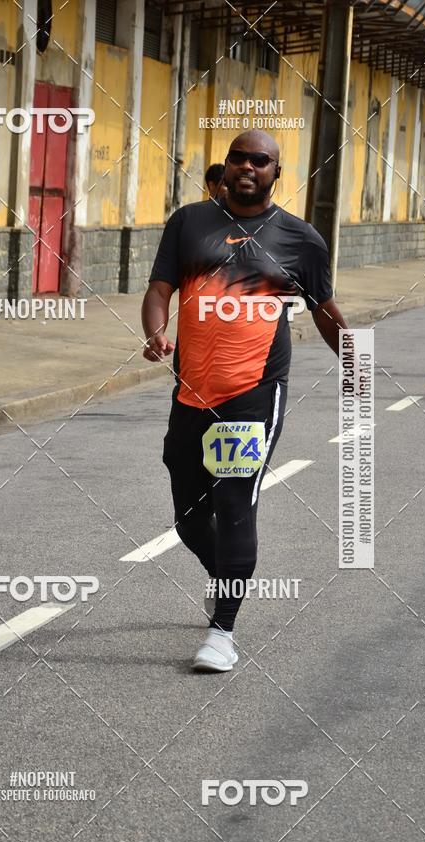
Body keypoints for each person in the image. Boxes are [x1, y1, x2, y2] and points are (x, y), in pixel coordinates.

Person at [141, 129, 349, 673]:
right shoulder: (189, 222)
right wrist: (157, 332)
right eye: (239, 158)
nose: (248, 167)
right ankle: (224, 576)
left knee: (235, 500)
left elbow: (324, 309)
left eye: (261, 160)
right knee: (189, 518)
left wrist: (353, 363)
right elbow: (161, 287)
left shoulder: (300, 239)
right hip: (192, 391)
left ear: (277, 172)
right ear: (226, 166)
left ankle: (222, 631)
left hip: (255, 393)